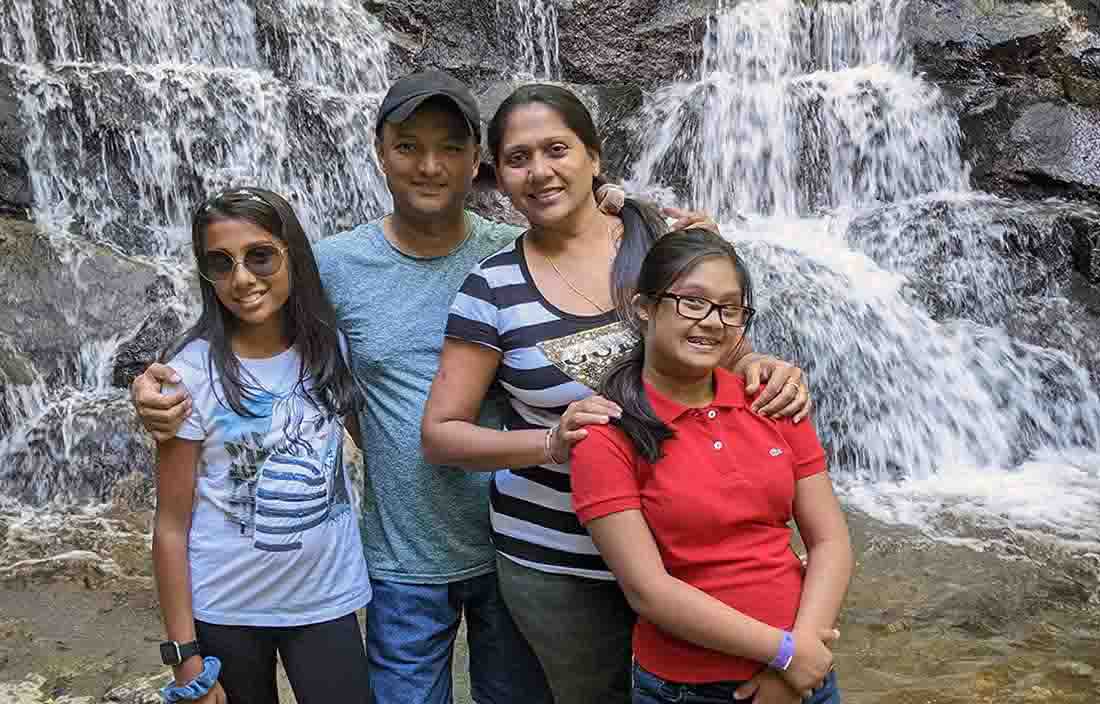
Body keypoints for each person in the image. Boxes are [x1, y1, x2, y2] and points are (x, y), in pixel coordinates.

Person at [132, 71, 805, 704]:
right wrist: (160, 380)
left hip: (520, 552)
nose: (429, 166)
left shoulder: (520, 249)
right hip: (402, 556)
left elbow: (683, 321)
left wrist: (756, 361)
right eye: (408, 148)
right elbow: (247, 317)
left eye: (450, 149)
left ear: (475, 162)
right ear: (378, 152)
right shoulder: (329, 267)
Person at [420, 83, 814, 703]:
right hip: (561, 560)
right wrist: (550, 441)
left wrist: (767, 366)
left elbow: (722, 355)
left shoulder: (659, 247)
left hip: (691, 553)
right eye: (518, 159)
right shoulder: (490, 287)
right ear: (498, 177)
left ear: (595, 156)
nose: (540, 172)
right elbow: (442, 435)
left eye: (557, 149)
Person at [570, 228, 854, 704]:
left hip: (807, 679)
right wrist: (785, 652)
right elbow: (649, 591)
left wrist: (800, 659)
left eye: (730, 308)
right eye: (693, 302)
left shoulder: (771, 401)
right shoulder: (606, 433)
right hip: (689, 689)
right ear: (644, 306)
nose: (713, 322)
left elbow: (830, 540)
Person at [152, 187, 371, 704]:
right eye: (221, 263)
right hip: (227, 608)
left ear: (290, 252)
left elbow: (378, 441)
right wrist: (184, 656)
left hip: (326, 599)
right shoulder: (188, 374)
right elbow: (170, 524)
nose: (243, 279)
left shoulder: (330, 348)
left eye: (260, 256)